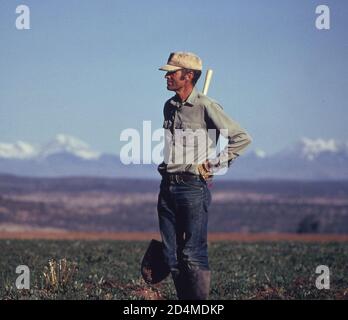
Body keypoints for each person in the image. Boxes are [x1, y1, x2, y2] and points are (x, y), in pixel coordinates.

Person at [157, 52, 252, 300]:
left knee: (193, 253)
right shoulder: (169, 107)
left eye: (172, 72)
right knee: (171, 255)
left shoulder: (206, 106)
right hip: (167, 186)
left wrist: (215, 164)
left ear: (188, 76)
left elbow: (241, 138)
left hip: (192, 188)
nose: (166, 76)